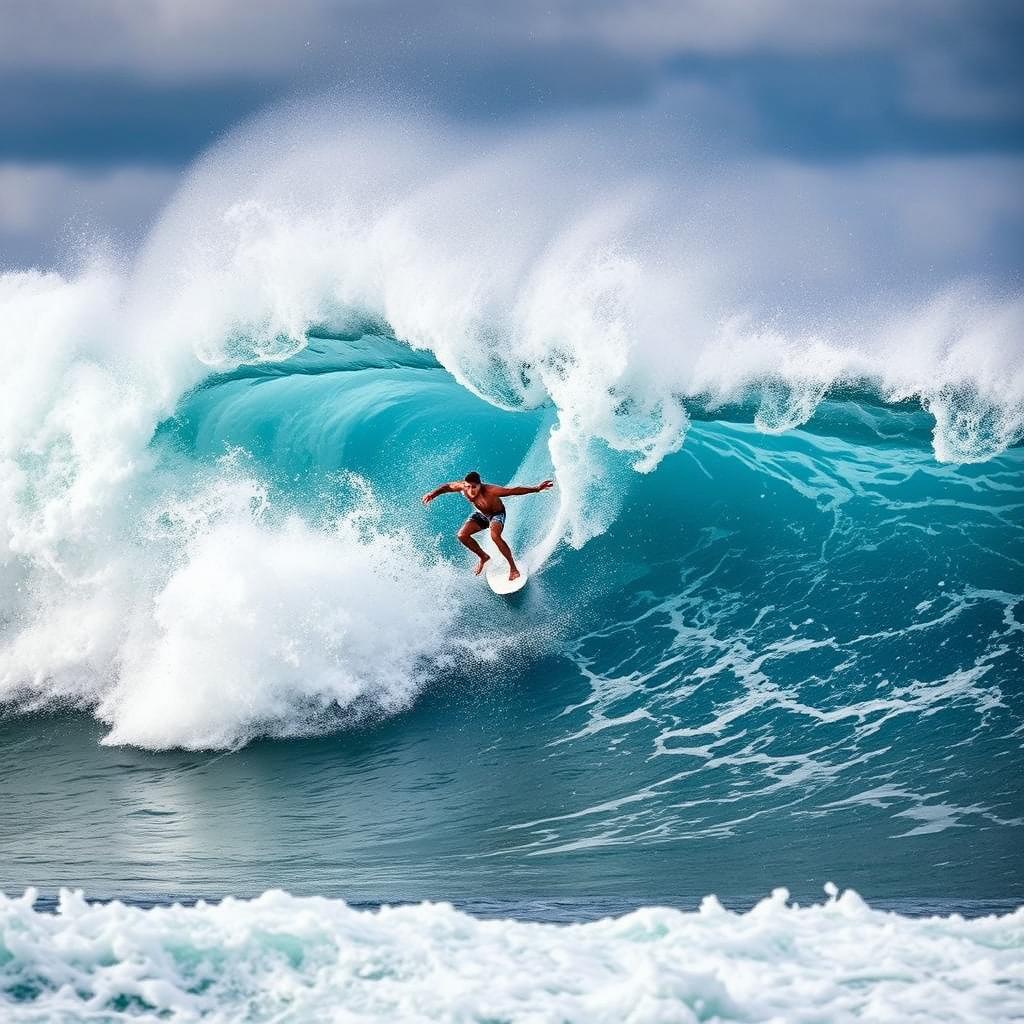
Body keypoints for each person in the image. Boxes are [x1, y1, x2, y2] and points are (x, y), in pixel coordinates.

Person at [421, 471, 554, 581]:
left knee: (494, 536)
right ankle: (483, 557)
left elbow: (513, 490)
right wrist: (433, 494)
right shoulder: (462, 487)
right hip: (481, 515)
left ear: (480, 485)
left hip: (497, 514)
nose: (470, 490)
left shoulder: (491, 490)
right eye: (468, 487)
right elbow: (447, 487)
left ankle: (513, 568)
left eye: (474, 487)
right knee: (462, 535)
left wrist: (537, 488)